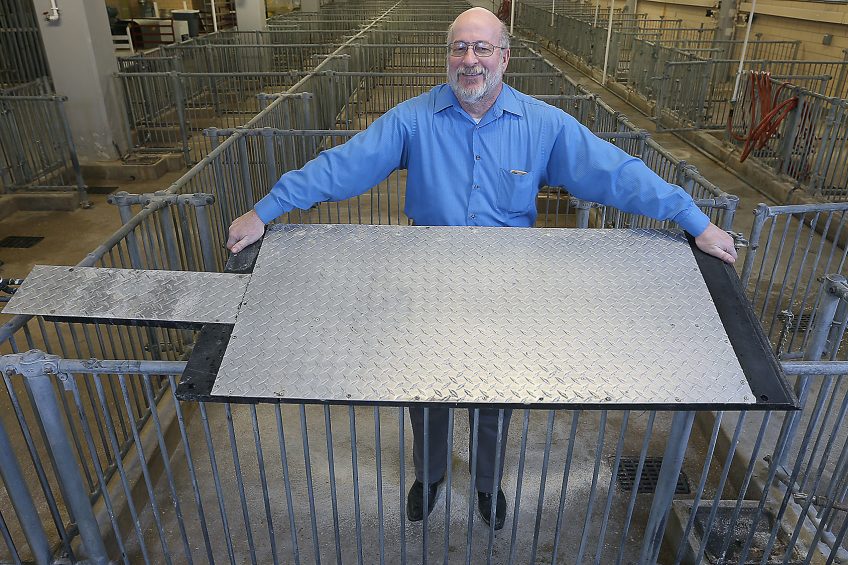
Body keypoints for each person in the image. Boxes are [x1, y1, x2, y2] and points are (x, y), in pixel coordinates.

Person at [227, 7, 737, 531]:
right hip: (427, 284)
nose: (469, 60)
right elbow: (344, 164)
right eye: (459, 48)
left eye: (482, 48)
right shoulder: (413, 119)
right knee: (423, 390)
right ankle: (430, 476)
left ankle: (488, 484)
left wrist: (692, 219)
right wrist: (266, 209)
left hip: (506, 290)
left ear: (505, 57)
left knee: (495, 392)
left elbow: (615, 172)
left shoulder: (543, 126)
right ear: (447, 56)